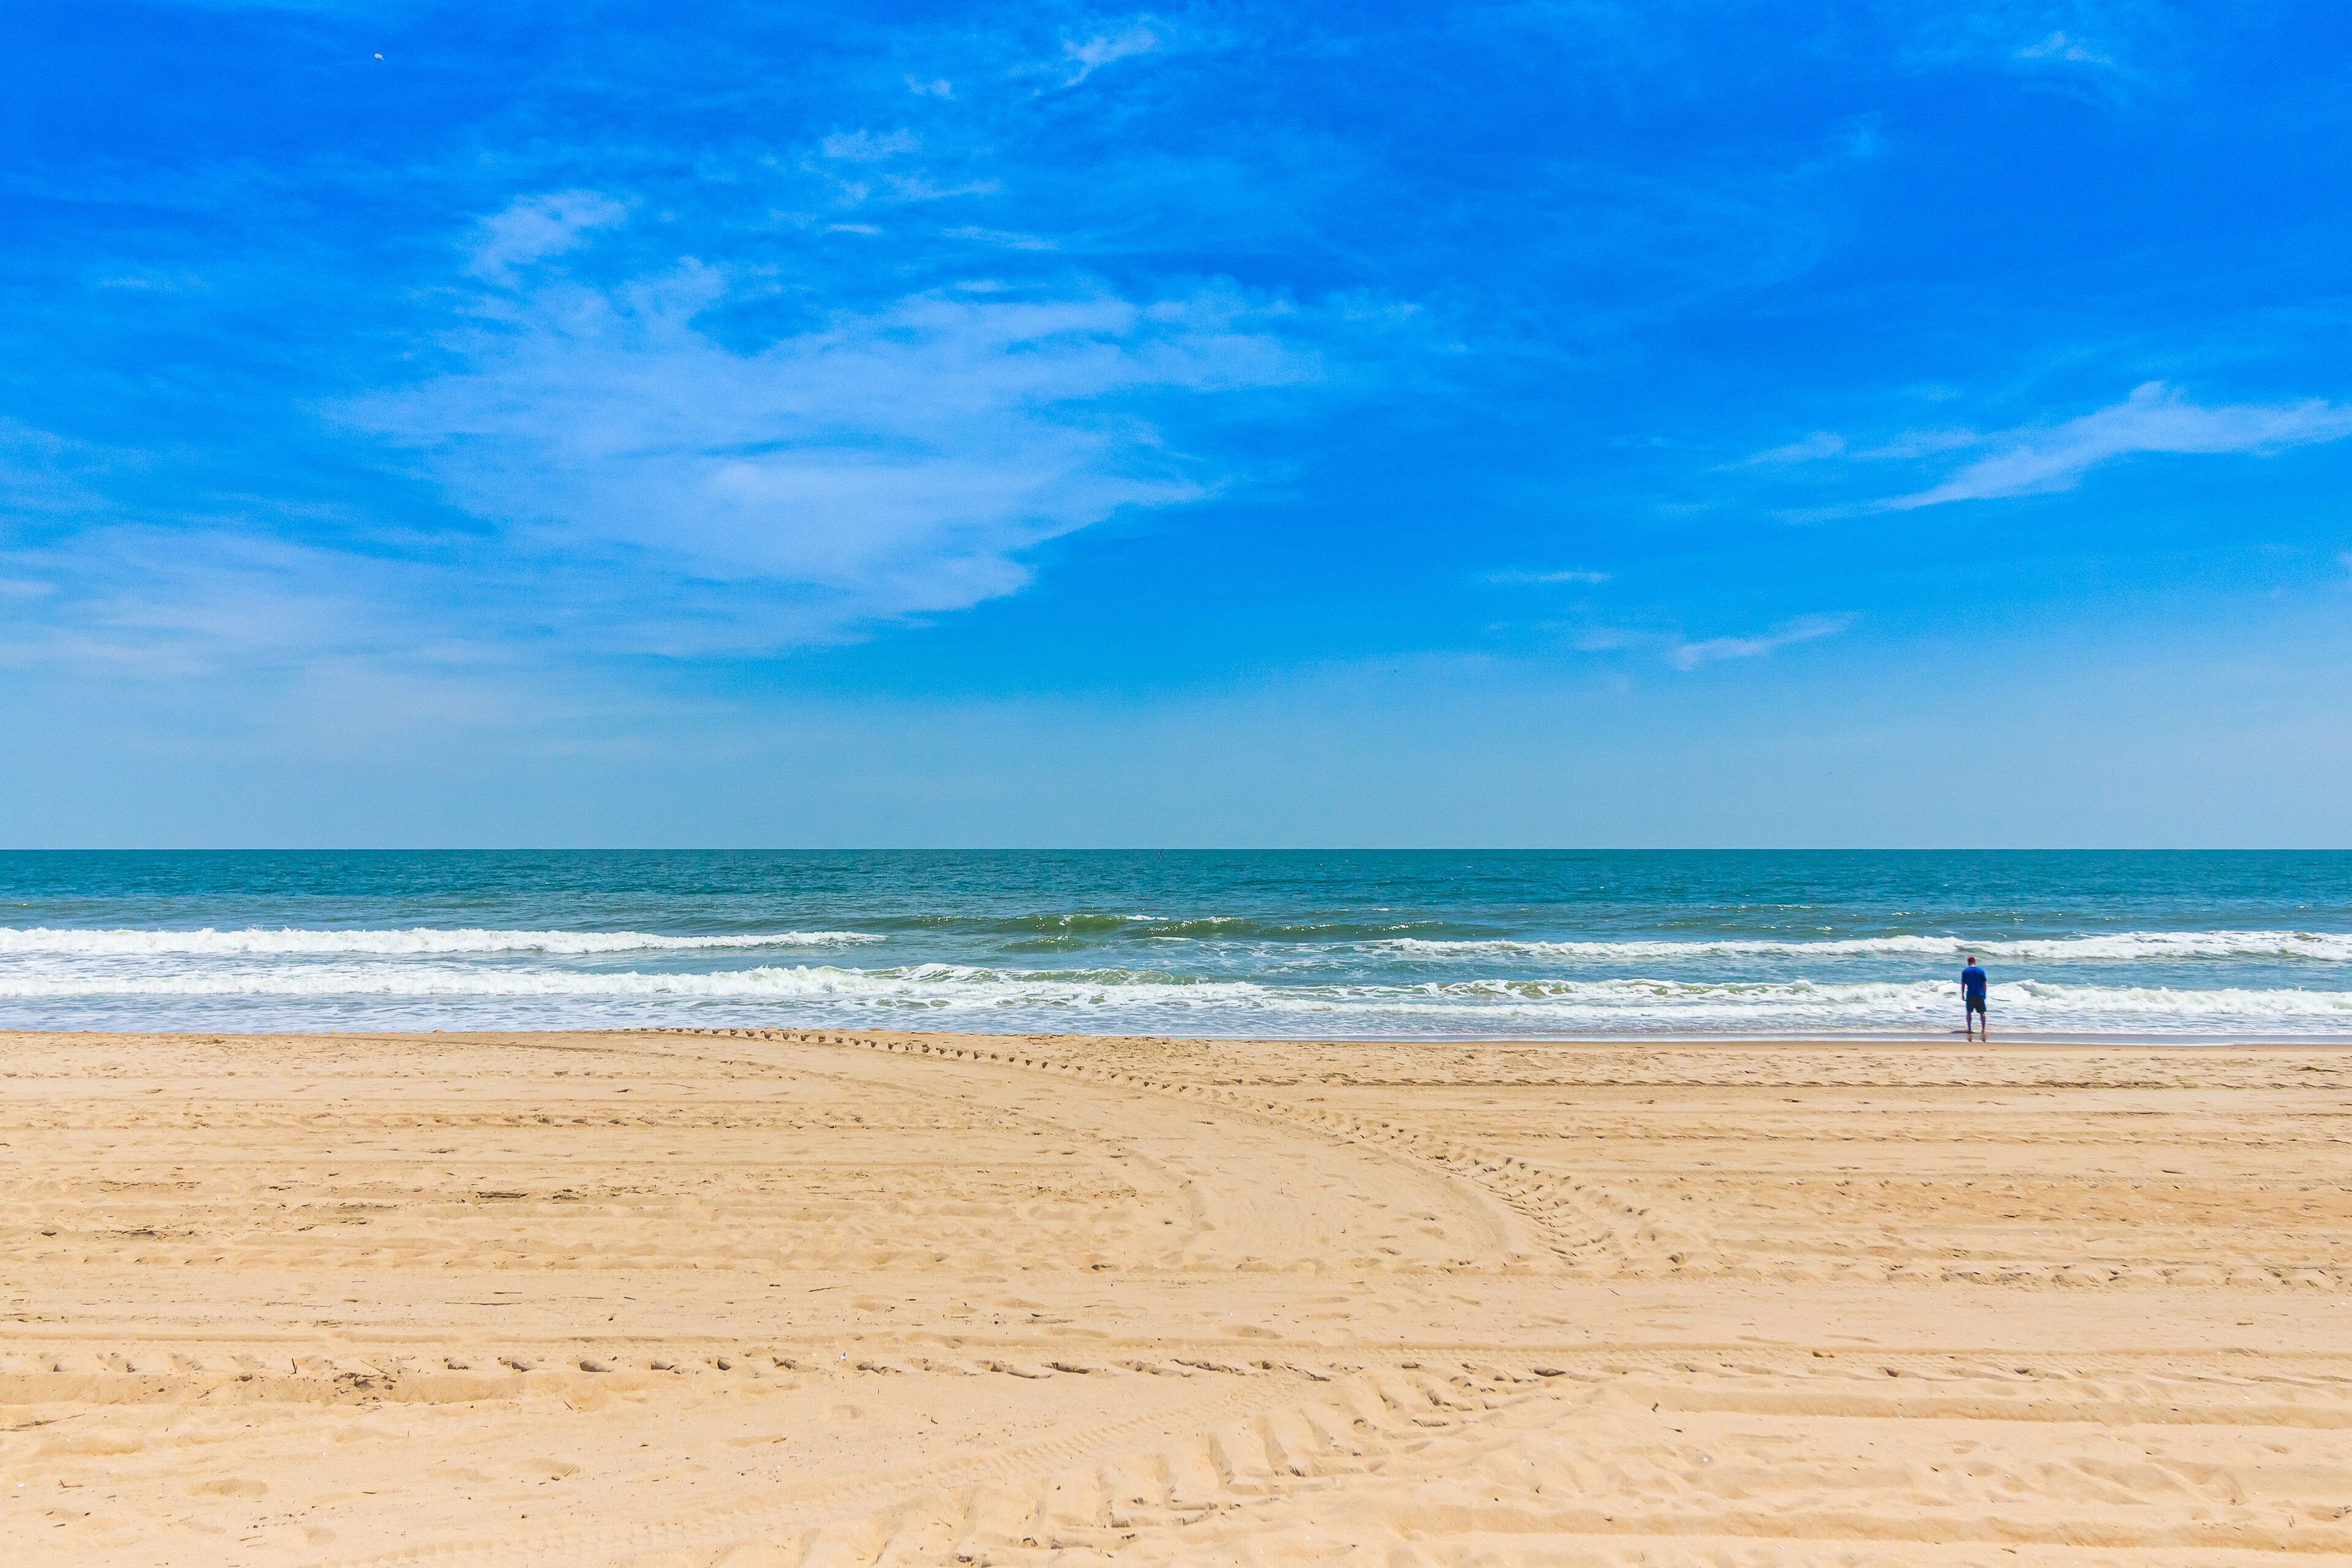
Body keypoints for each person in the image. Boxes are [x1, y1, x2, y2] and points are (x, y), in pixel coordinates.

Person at [1961, 955, 1989, 1040]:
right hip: (1980, 994)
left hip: (1970, 994)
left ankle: (1969, 1029)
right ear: (1975, 962)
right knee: (1982, 1012)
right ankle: (1983, 1029)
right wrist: (1984, 994)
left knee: (1969, 1012)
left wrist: (1963, 994)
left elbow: (1963, 984)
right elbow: (1984, 984)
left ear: (1968, 962)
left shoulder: (1965, 971)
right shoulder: (1981, 971)